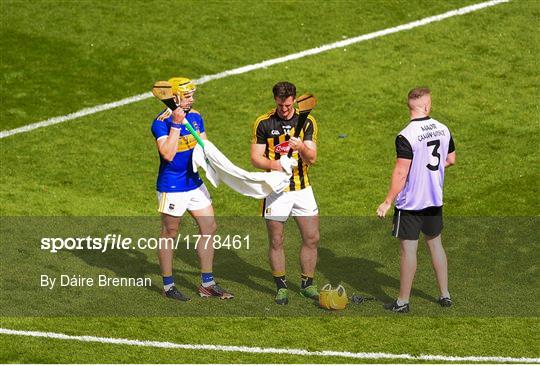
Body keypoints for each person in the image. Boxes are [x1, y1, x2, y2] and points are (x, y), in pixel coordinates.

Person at [150, 77, 234, 301]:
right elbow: (167, 154)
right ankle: (168, 286)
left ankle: (207, 283)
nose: (192, 100)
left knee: (209, 227)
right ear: (175, 97)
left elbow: (203, 146)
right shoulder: (161, 123)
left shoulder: (196, 117)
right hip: (172, 186)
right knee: (170, 233)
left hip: (194, 182)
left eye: (192, 95)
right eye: (187, 96)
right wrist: (177, 123)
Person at [376, 87, 456, 313]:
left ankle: (402, 302)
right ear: (427, 106)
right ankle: (445, 295)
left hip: (411, 204)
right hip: (434, 200)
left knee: (408, 251)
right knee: (435, 244)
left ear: (409, 106)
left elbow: (401, 173)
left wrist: (387, 201)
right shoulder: (443, 128)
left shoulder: (406, 135)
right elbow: (450, 159)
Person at [251, 81, 320, 305]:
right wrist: (278, 165)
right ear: (275, 101)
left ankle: (307, 285)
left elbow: (312, 159)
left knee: (311, 237)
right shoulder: (263, 123)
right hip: (276, 191)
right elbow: (256, 158)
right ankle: (281, 287)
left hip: (302, 188)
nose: (284, 109)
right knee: (277, 240)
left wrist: (301, 148)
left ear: (294, 100)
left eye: (288, 105)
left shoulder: (307, 122)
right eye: (281, 105)